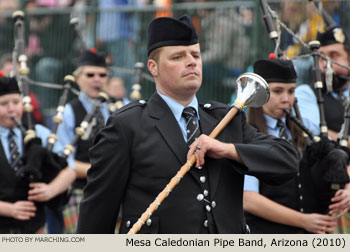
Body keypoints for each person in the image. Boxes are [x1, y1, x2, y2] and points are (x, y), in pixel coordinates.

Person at [77, 15, 298, 234]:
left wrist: (228, 149)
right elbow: (98, 211)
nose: (192, 61)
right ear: (153, 68)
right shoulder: (126, 125)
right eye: (177, 57)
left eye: (195, 55)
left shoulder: (226, 119)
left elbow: (287, 161)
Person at [243, 58, 349, 234]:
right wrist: (304, 221)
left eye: (291, 91)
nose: (286, 99)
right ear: (259, 94)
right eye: (277, 91)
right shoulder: (247, 136)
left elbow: (340, 155)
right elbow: (249, 199)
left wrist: (347, 190)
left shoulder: (306, 128)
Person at [0, 75, 76, 233]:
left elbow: (70, 170)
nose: (11, 109)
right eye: (4, 104)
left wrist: (51, 190)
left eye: (16, 102)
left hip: (34, 227)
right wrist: (8, 209)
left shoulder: (39, 133)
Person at [295, 26, 350, 233]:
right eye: (321, 57)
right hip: (325, 197)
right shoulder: (306, 93)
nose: (326, 64)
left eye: (334, 55)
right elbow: (317, 135)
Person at [56, 48, 110, 233]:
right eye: (90, 74)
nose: (97, 79)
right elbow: (64, 159)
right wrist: (101, 170)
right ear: (78, 78)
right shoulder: (69, 111)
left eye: (102, 75)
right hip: (81, 193)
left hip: (114, 191)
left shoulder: (116, 109)